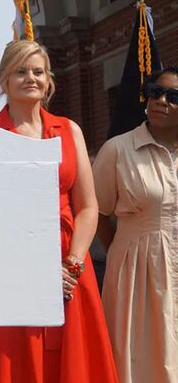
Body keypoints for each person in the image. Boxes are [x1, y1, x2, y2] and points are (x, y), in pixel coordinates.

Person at [0, 40, 117, 383]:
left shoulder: (69, 130)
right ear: (5, 79)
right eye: (20, 71)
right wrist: (32, 269)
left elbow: (89, 207)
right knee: (9, 361)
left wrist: (73, 264)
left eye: (38, 71)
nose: (30, 78)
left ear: (49, 80)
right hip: (7, 266)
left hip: (69, 263)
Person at [93, 66, 178, 383]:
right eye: (155, 92)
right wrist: (121, 248)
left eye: (173, 96)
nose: (161, 101)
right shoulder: (118, 150)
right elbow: (97, 212)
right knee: (139, 357)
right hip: (136, 272)